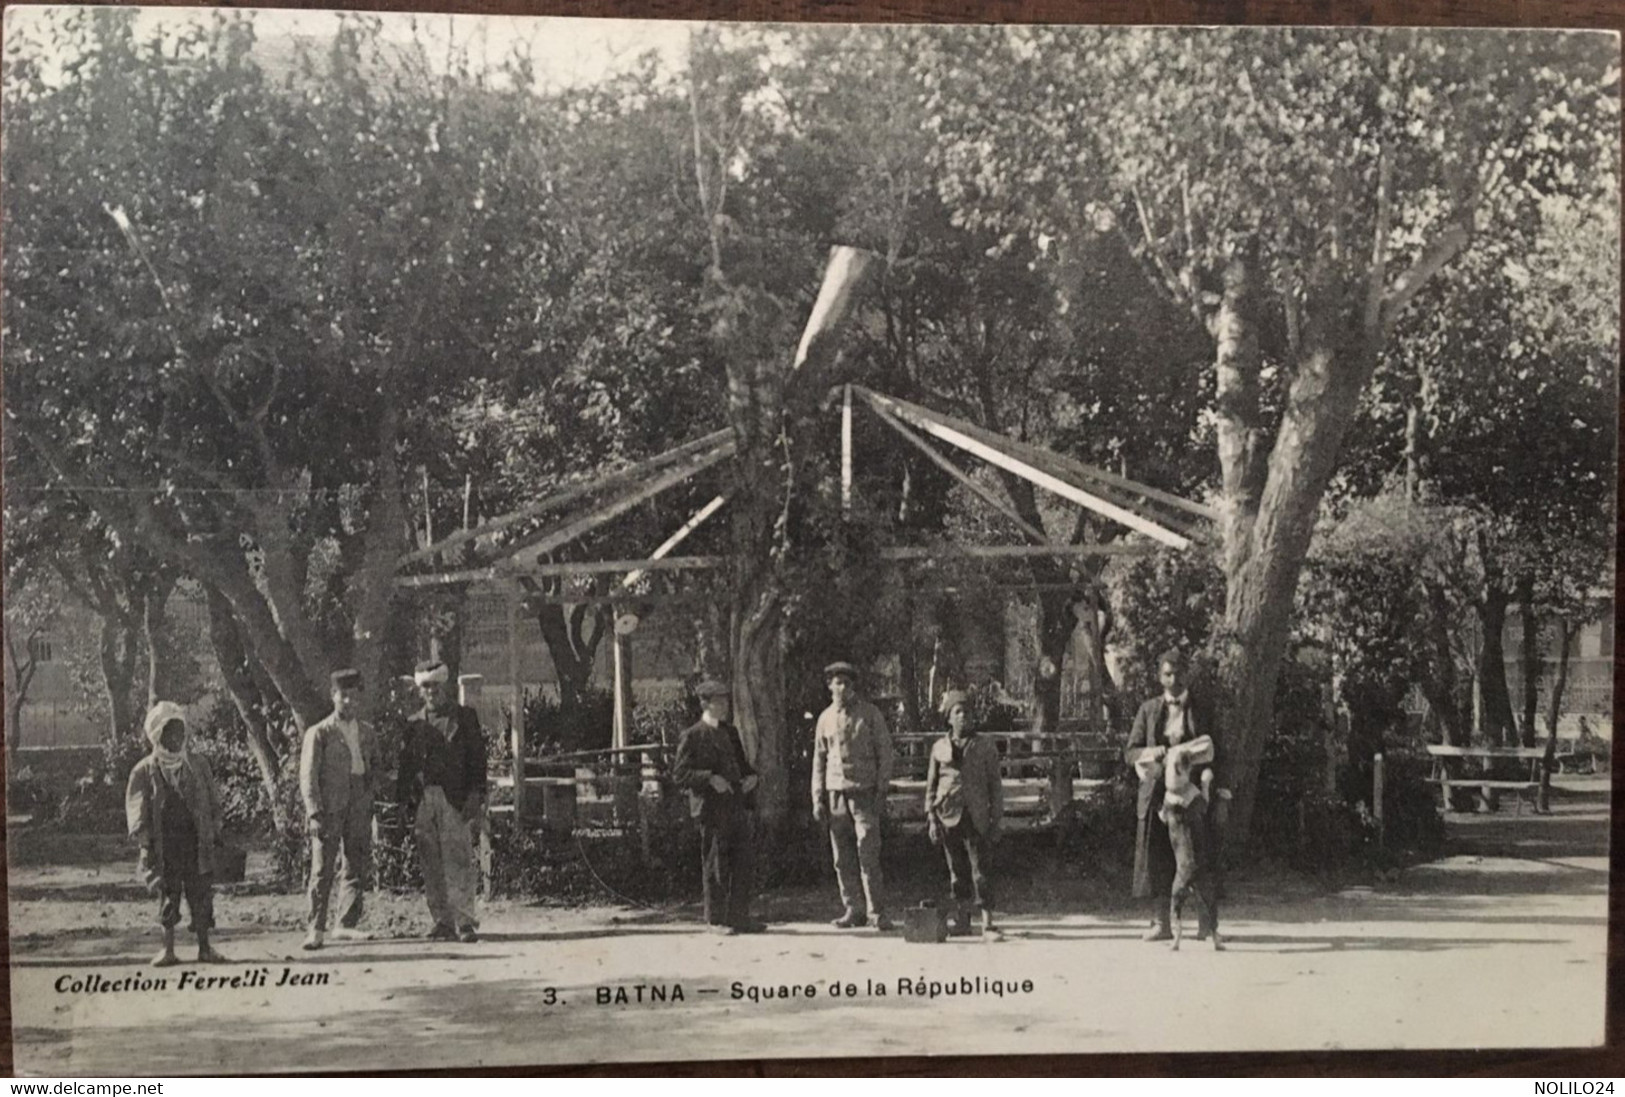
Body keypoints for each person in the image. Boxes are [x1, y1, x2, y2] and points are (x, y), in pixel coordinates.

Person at [1123, 648, 1219, 942]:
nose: (1173, 680)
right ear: (1159, 677)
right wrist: (1153, 752)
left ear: (1187, 675)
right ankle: (1161, 923)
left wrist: (1219, 790)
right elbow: (1130, 752)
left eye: (1178, 674)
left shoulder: (1202, 708)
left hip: (1192, 792)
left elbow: (1219, 750)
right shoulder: (1149, 710)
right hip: (1157, 793)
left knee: (1199, 855)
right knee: (1158, 857)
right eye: (1167, 674)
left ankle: (1206, 924)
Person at [126, 702, 228, 967]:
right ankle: (168, 950)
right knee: (168, 895)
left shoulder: (198, 764)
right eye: (171, 732)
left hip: (196, 842)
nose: (178, 737)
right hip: (166, 845)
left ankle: (205, 948)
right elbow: (137, 810)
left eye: (181, 731)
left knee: (201, 894)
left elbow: (213, 800)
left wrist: (216, 828)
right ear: (158, 736)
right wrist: (145, 842)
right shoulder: (144, 770)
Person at [396, 659, 487, 943]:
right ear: (419, 690)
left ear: (444, 685)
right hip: (424, 799)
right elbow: (406, 767)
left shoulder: (464, 717)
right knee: (430, 861)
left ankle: (465, 921)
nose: (431, 692)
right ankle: (442, 921)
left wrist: (476, 794)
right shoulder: (412, 724)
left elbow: (477, 761)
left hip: (454, 798)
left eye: (435, 686)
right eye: (426, 687)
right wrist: (403, 802)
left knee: (458, 859)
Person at [672, 680, 765, 935]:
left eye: (726, 700)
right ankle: (716, 920)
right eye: (719, 701)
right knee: (716, 864)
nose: (724, 706)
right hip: (712, 810)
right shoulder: (693, 735)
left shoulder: (731, 732)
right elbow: (680, 774)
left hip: (735, 806)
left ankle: (739, 917)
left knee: (742, 861)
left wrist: (751, 778)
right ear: (705, 703)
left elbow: (742, 766)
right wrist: (710, 779)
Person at [299, 668, 381, 951]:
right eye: (343, 696)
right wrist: (314, 812)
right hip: (330, 806)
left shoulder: (368, 732)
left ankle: (346, 924)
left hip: (359, 802)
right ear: (333, 696)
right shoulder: (320, 733)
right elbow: (308, 776)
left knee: (355, 863)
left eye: (353, 696)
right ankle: (315, 928)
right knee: (322, 868)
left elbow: (374, 768)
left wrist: (370, 800)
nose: (348, 702)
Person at [811, 661, 894, 930]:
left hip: (864, 793)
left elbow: (885, 753)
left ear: (853, 685)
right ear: (830, 686)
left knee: (868, 851)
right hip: (836, 794)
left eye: (847, 682)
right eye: (837, 682)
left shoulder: (869, 714)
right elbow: (819, 761)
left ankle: (876, 912)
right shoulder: (824, 719)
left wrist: (882, 789)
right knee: (842, 857)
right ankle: (853, 909)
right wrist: (817, 797)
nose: (842, 687)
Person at [924, 691, 1004, 938]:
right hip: (948, 814)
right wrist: (931, 818)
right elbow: (931, 786)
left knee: (981, 870)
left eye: (967, 712)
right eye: (957, 712)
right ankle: (962, 919)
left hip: (977, 816)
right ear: (949, 718)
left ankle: (987, 922)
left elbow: (995, 786)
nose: (963, 717)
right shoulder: (939, 748)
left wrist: (997, 819)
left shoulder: (985, 746)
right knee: (956, 871)